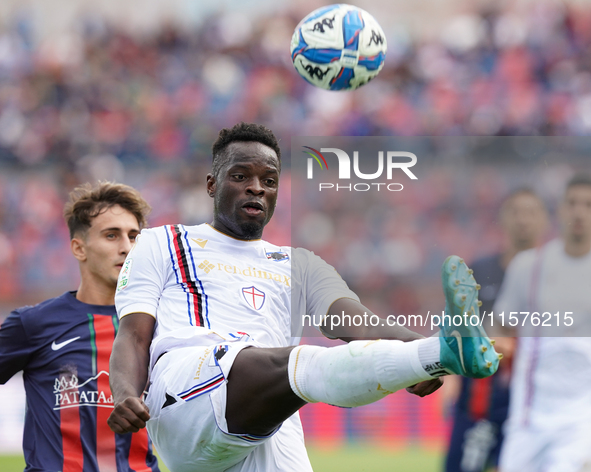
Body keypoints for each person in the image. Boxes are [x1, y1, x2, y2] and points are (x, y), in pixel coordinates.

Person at [107, 122, 501, 472]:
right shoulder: (163, 242)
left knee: (297, 369)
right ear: (212, 184)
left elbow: (360, 325)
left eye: (270, 180)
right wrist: (125, 393)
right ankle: (438, 353)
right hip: (183, 397)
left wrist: (433, 349)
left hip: (267, 420)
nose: (257, 187)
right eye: (241, 175)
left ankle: (441, 352)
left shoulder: (300, 264)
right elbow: (133, 335)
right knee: (301, 363)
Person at [0, 182, 160, 472]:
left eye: (134, 236)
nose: (126, 247)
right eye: (112, 235)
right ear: (79, 248)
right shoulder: (33, 324)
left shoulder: (162, 326)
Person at [444, 189, 548, 472]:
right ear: (502, 219)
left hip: (537, 400)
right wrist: (449, 377)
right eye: (516, 211)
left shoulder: (554, 273)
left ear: (544, 220)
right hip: (481, 398)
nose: (523, 220)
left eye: (530, 212)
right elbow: (456, 328)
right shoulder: (479, 270)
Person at [494, 174, 591, 472]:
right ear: (559, 210)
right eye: (572, 203)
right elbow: (501, 329)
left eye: (588, 205)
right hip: (528, 417)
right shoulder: (529, 266)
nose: (579, 212)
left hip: (581, 420)